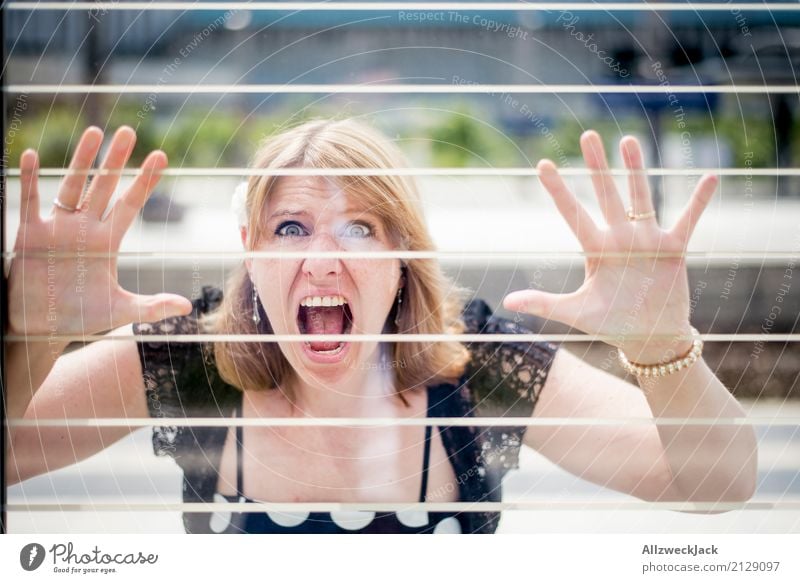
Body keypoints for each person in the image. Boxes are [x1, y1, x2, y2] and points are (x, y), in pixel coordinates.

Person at [5, 118, 757, 534]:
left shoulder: (478, 363)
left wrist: (665, 349)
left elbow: (720, 480)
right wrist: (30, 339)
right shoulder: (190, 359)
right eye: (292, 228)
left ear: (403, 257)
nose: (325, 259)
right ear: (251, 253)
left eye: (361, 229)